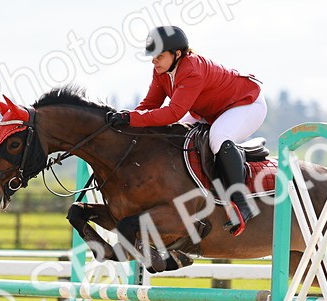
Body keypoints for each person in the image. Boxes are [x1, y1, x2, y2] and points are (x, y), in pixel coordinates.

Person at [106, 26, 266, 235]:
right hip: (211, 110)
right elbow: (150, 104)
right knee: (176, 133)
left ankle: (241, 203)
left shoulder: (192, 69)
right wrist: (126, 120)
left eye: (159, 56)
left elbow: (173, 113)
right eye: (153, 56)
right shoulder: (162, 71)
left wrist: (131, 118)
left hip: (246, 104)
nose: (154, 61)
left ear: (177, 54)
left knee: (218, 137)